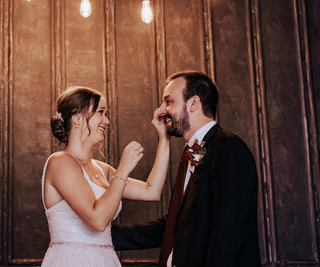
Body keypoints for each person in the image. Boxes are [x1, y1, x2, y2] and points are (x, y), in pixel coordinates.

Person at [111, 71, 261, 267]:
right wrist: (100, 236)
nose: (161, 110)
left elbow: (230, 230)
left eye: (168, 102)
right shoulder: (192, 153)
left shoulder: (228, 147)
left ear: (193, 103)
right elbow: (176, 226)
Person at [41, 86, 170, 266]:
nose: (107, 121)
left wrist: (164, 138)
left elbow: (152, 191)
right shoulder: (60, 162)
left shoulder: (103, 169)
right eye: (100, 112)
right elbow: (97, 220)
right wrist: (123, 169)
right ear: (77, 117)